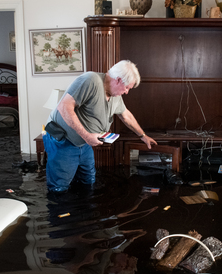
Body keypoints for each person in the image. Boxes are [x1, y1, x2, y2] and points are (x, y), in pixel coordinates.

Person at [43, 60, 157, 192]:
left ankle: (83, 212)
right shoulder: (90, 80)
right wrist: (86, 135)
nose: (126, 92)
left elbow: (125, 115)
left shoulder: (115, 93)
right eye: (127, 88)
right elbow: (64, 107)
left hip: (84, 142)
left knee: (88, 181)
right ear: (118, 80)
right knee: (59, 187)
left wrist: (143, 136)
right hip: (63, 140)